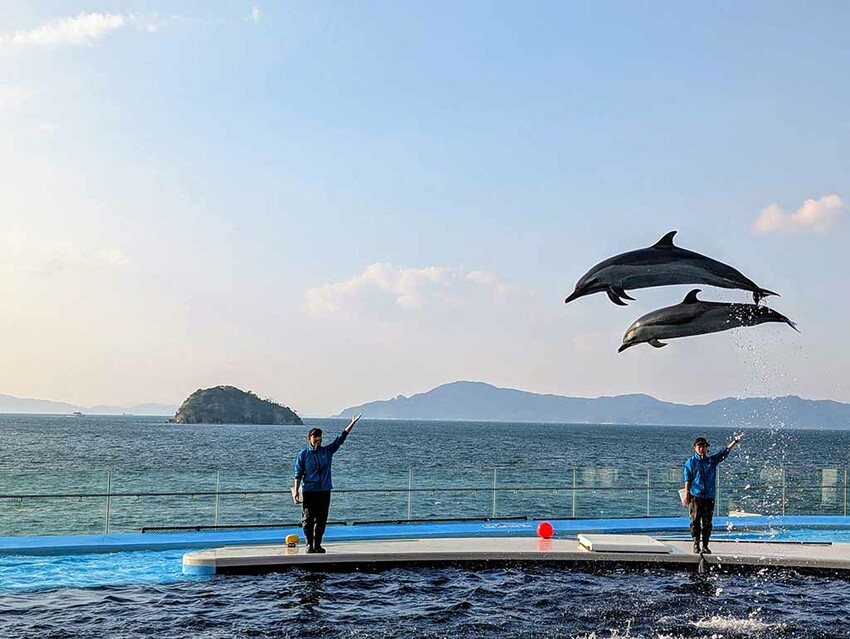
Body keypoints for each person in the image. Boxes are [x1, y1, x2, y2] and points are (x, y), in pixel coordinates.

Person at [293, 413, 361, 553]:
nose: (318, 439)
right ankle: (309, 544)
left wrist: (352, 423)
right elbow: (298, 473)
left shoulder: (327, 451)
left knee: (322, 519)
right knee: (308, 519)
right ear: (309, 439)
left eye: (320, 436)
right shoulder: (304, 454)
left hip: (324, 491)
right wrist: (295, 491)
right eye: (315, 437)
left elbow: (340, 439)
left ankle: (318, 544)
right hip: (309, 491)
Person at [683, 432, 743, 554]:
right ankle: (696, 544)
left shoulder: (711, 460)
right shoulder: (691, 462)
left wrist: (735, 442)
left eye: (703, 446)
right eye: (699, 446)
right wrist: (686, 495)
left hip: (709, 497)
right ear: (695, 447)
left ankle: (705, 545)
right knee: (695, 521)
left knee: (707, 522)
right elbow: (687, 479)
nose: (701, 448)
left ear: (707, 448)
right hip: (696, 496)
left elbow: (724, 452)